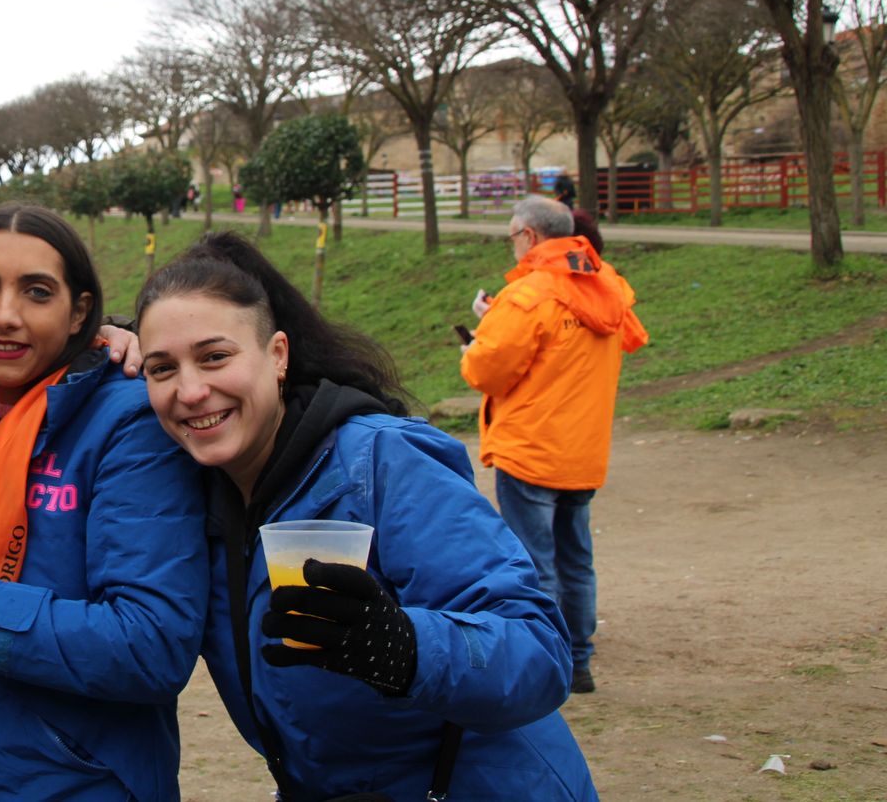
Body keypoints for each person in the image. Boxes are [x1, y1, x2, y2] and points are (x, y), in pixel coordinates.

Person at [134, 231, 598, 800]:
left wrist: (406, 647)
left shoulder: (380, 460)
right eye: (161, 368)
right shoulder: (196, 499)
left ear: (277, 354)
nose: (191, 390)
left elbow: (539, 649)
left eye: (215, 357)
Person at [0, 204, 206, 801]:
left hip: (73, 780)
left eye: (37, 293)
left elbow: (153, 644)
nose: (4, 317)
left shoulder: (131, 424)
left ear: (79, 312)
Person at [461, 195, 647, 695]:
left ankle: (545, 663)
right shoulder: (608, 286)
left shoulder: (529, 296)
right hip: (584, 450)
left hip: (532, 447)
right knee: (575, 559)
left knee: (533, 561)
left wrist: (480, 337)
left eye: (512, 236)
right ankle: (578, 660)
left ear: (530, 236)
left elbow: (486, 369)